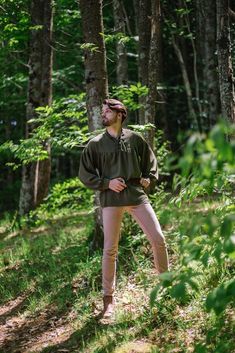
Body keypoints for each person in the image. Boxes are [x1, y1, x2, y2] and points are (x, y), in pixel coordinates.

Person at [79, 98, 169, 319]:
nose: (103, 115)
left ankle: (167, 287)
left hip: (137, 196)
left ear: (119, 114)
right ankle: (108, 300)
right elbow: (85, 174)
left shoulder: (134, 139)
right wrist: (106, 183)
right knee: (110, 250)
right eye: (102, 111)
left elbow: (151, 161)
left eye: (107, 111)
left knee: (158, 239)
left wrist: (148, 177)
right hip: (111, 200)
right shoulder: (95, 144)